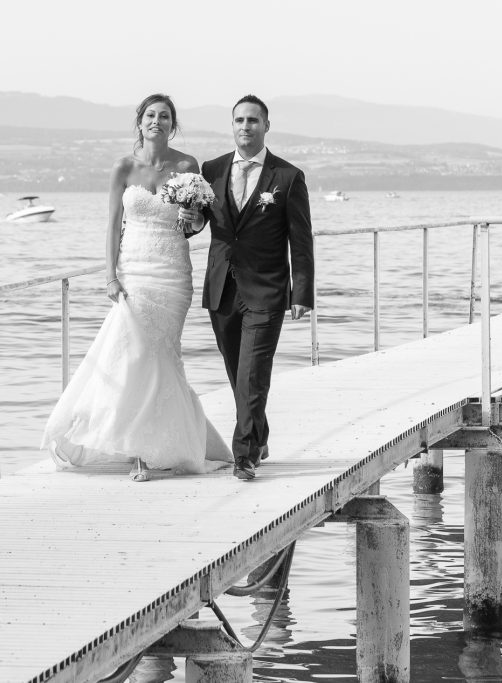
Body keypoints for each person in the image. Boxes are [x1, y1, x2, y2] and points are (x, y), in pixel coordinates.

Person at [42, 93, 233, 481]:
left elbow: (196, 225)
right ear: (140, 122)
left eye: (164, 116)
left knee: (163, 356)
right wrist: (110, 275)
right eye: (150, 115)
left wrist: (193, 216)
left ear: (173, 125)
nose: (156, 121)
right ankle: (140, 451)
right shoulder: (124, 167)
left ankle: (162, 445)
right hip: (135, 271)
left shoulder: (187, 166)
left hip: (173, 272)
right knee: (135, 355)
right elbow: (113, 224)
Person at [198, 94, 315, 481]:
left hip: (267, 289)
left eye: (252, 120)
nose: (245, 126)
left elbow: (301, 240)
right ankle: (259, 434)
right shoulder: (211, 170)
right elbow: (198, 223)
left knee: (252, 373)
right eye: (239, 120)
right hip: (222, 288)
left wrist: (302, 293)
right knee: (237, 371)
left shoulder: (287, 177)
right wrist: (185, 219)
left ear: (266, 126)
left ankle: (245, 455)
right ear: (232, 126)